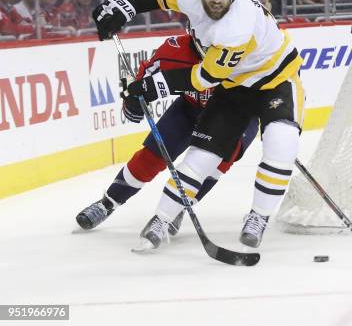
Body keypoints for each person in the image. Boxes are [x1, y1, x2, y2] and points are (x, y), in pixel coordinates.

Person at [91, 0, 305, 249]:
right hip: (234, 87)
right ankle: (162, 218)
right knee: (201, 157)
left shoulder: (237, 24)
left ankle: (258, 216)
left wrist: (153, 88)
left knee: (281, 143)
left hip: (276, 81)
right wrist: (125, 8)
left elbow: (206, 77)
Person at [76, 34, 259, 247]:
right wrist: (133, 101)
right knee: (152, 156)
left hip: (236, 114)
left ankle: (176, 209)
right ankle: (108, 202)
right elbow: (141, 84)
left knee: (216, 163)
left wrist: (276, 114)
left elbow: (276, 78)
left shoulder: (248, 49)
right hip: (189, 108)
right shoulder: (175, 49)